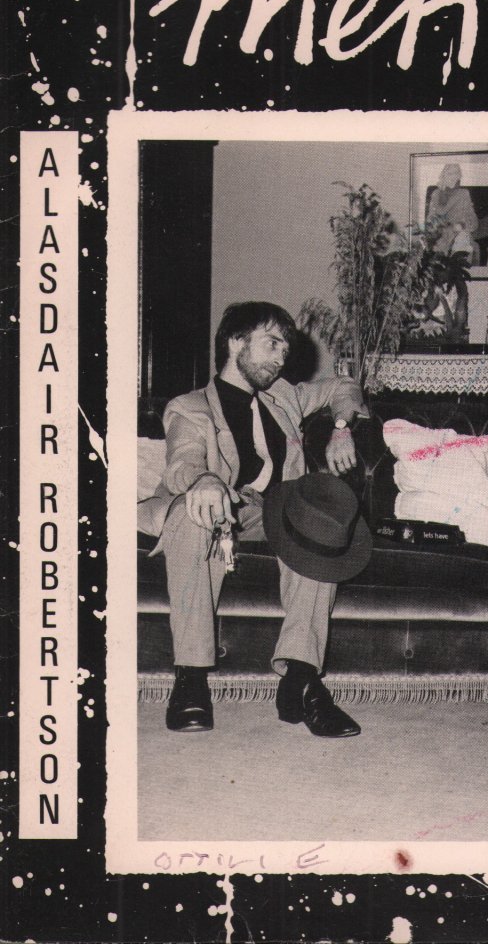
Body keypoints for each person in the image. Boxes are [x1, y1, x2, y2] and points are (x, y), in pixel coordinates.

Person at [138, 302, 369, 737]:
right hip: (216, 504)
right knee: (194, 515)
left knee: (318, 524)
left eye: (286, 349)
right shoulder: (190, 407)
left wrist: (341, 428)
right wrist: (204, 479)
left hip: (272, 509)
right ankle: (190, 678)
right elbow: (183, 461)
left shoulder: (284, 396)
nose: (281, 357)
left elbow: (345, 385)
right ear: (235, 342)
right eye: (272, 344)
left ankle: (301, 680)